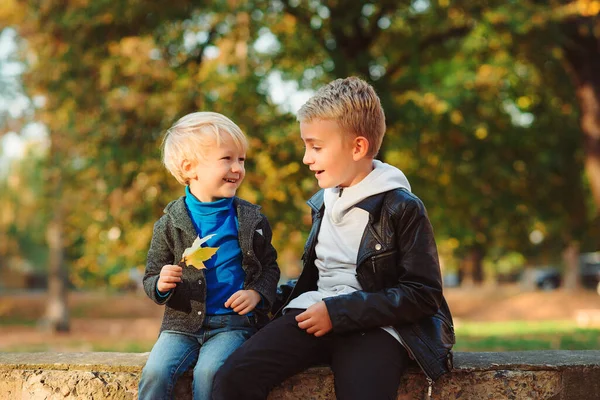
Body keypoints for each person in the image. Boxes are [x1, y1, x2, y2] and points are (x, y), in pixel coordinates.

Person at [212, 77, 454, 400]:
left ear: (358, 147)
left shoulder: (401, 207)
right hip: (317, 311)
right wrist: (263, 296)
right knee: (232, 379)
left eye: (316, 147)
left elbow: (423, 294)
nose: (306, 158)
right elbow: (317, 278)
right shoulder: (324, 202)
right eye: (305, 146)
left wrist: (339, 313)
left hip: (379, 327)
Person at [138, 112, 280, 400]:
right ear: (191, 168)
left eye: (241, 160)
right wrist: (161, 283)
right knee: (155, 372)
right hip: (181, 325)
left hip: (231, 325)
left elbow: (270, 268)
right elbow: (151, 275)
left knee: (210, 373)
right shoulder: (170, 223)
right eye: (227, 159)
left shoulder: (251, 219)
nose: (237, 168)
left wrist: (256, 294)